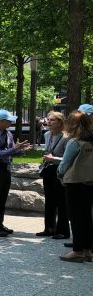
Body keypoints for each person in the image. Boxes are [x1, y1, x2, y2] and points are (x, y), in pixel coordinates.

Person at [0, 109, 32, 236]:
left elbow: (11, 151)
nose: (11, 122)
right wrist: (15, 148)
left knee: (2, 197)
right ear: (1, 121)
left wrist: (22, 150)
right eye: (9, 120)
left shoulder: (8, 134)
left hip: (5, 167)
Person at [56, 110, 93, 262]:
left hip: (75, 182)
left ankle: (77, 250)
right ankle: (88, 249)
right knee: (87, 216)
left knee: (76, 217)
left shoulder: (74, 142)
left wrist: (59, 174)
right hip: (90, 182)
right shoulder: (91, 141)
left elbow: (65, 164)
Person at [37, 111, 69, 239]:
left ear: (60, 122)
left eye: (52, 120)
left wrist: (53, 158)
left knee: (61, 202)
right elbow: (48, 151)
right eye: (48, 119)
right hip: (49, 171)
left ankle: (63, 231)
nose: (48, 122)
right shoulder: (47, 135)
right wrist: (46, 157)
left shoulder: (67, 137)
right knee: (49, 200)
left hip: (60, 171)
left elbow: (68, 158)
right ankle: (49, 228)